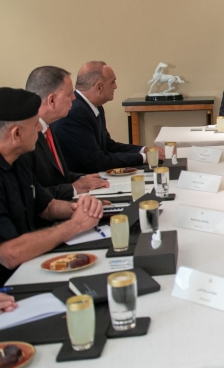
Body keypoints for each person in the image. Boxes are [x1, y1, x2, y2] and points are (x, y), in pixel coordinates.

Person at [0, 88, 105, 285]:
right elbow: (9, 254)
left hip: (30, 264)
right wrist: (75, 225)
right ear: (16, 134)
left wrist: (80, 209)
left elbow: (47, 206)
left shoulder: (17, 161)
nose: (39, 129)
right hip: (10, 282)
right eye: (34, 124)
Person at [51, 61, 162, 174]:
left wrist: (144, 150)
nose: (115, 86)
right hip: (81, 179)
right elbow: (95, 161)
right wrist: (144, 157)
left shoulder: (95, 107)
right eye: (113, 82)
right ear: (99, 87)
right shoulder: (75, 113)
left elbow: (108, 145)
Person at [24, 66, 109, 202]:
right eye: (69, 94)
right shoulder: (26, 138)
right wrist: (74, 188)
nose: (74, 98)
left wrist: (82, 178)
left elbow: (58, 174)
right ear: (52, 100)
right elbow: (31, 194)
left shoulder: (48, 126)